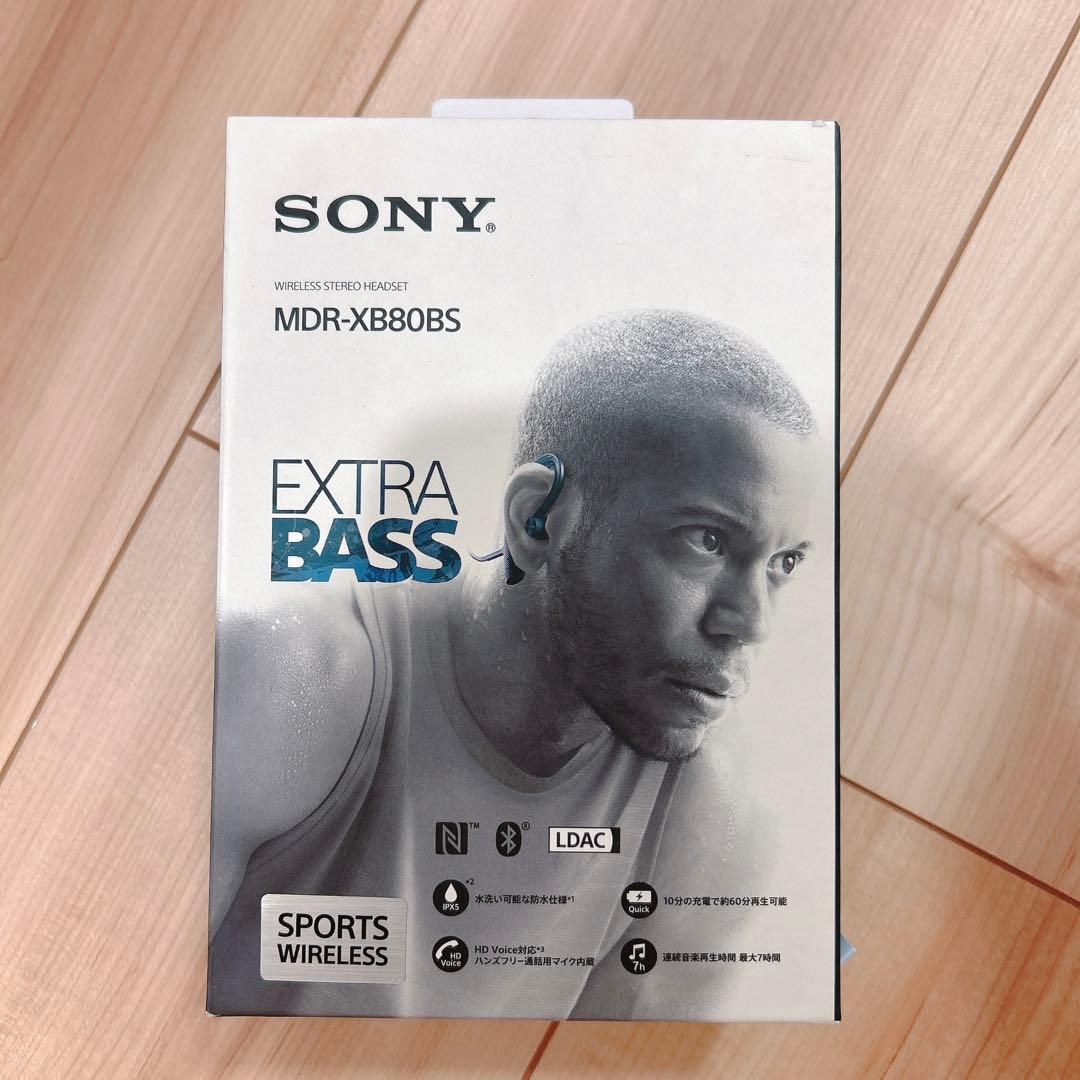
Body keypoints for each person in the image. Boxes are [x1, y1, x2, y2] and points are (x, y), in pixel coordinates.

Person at [207, 308, 823, 1020]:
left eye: (784, 563)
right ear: (539, 520)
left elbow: (613, 1066)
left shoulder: (717, 811)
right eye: (706, 540)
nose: (751, 624)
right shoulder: (297, 674)